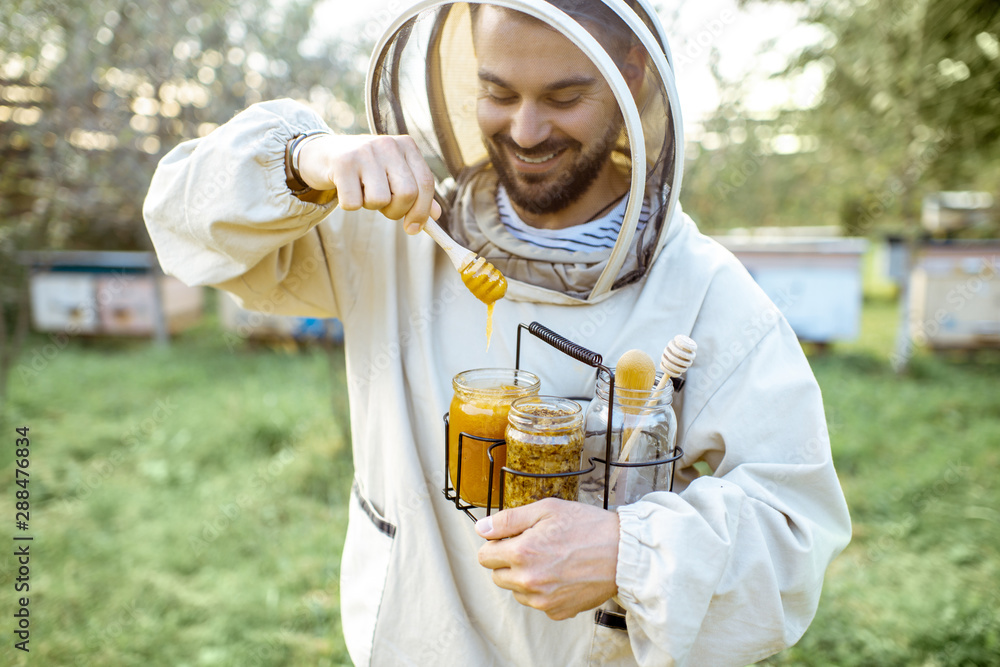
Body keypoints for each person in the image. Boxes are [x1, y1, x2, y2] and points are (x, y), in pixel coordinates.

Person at [143, 1, 851, 664]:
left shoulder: (708, 295)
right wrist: (301, 163)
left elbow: (794, 530)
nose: (526, 130)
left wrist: (628, 551)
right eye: (499, 93)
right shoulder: (387, 232)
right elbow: (179, 218)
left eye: (564, 97)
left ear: (633, 74)